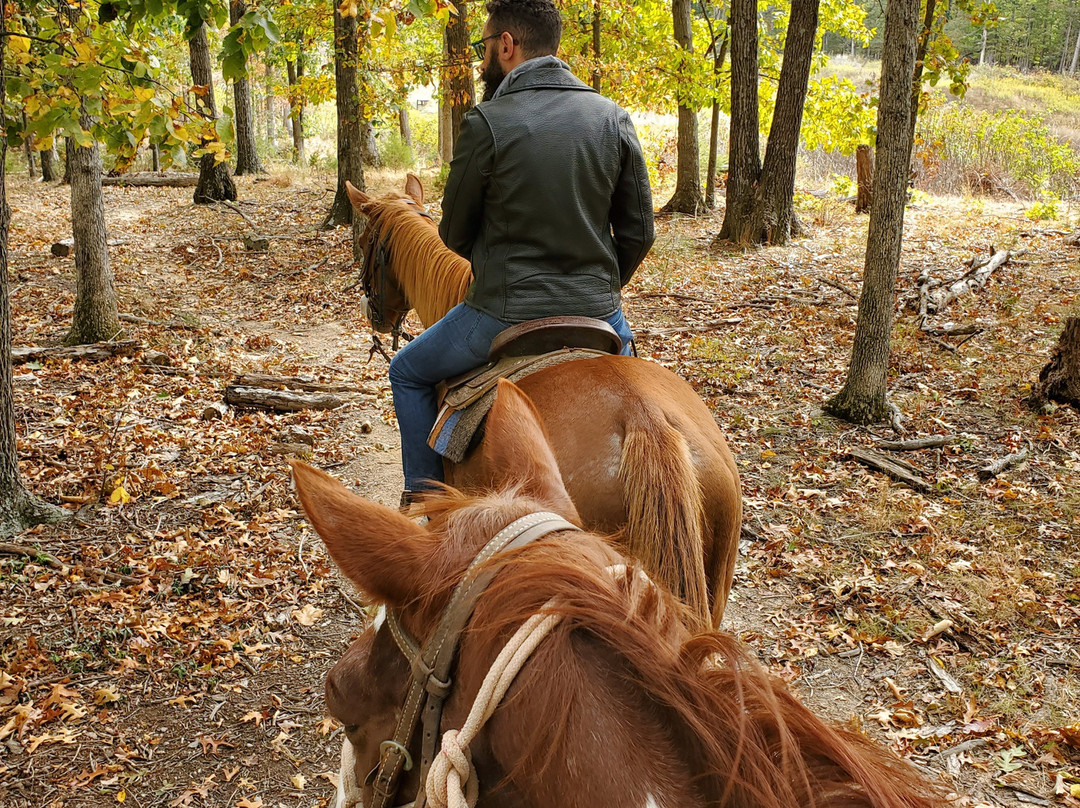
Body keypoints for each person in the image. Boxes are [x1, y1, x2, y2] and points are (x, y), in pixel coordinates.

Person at [389, 0, 655, 503]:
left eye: (484, 47)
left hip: (502, 315)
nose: (482, 59)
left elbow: (454, 237)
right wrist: (596, 286)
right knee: (645, 391)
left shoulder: (487, 122)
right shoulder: (613, 117)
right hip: (601, 313)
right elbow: (640, 233)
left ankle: (423, 504)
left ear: (507, 45)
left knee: (405, 371)